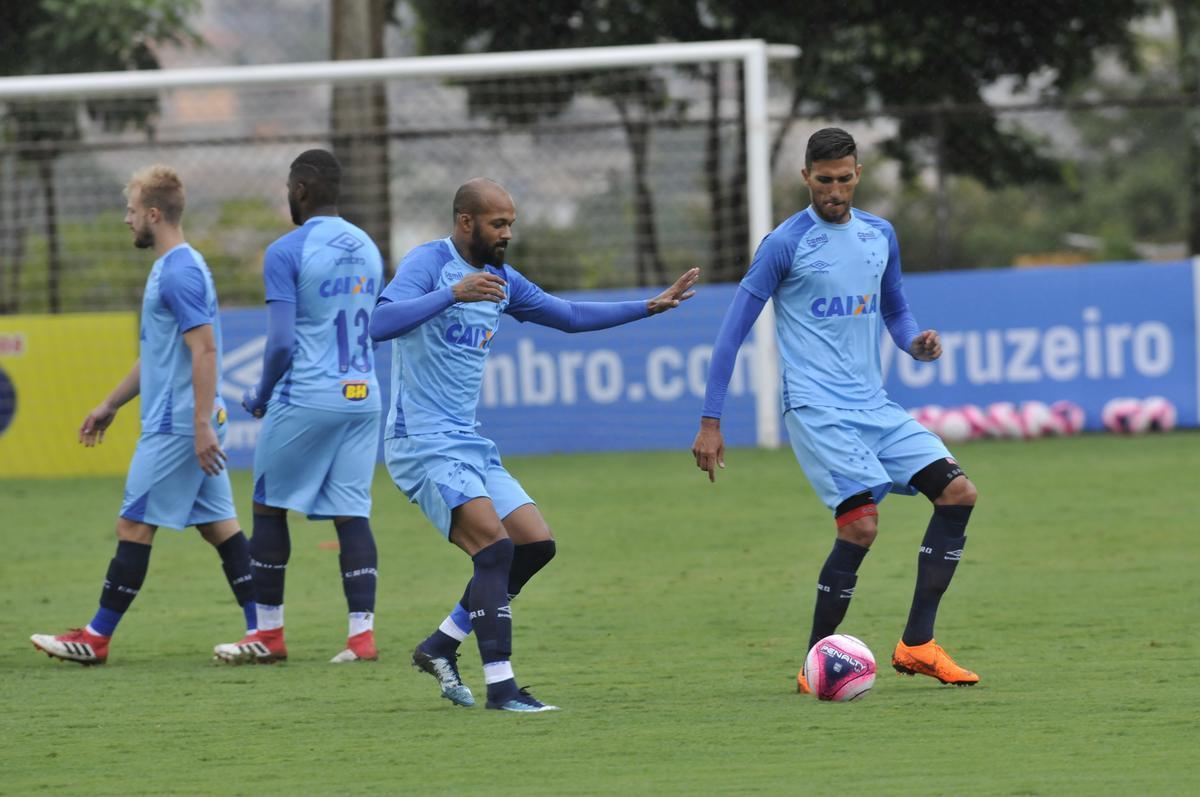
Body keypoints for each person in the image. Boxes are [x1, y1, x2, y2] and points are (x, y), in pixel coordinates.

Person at [370, 178, 699, 711]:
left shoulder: (502, 277)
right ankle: (502, 688)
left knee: (534, 544)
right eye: (498, 224)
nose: (507, 234)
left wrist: (650, 306)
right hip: (421, 442)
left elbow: (566, 316)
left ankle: (440, 646)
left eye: (511, 224)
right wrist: (451, 294)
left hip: (466, 441)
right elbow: (379, 323)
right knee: (495, 550)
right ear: (465, 222)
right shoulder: (429, 264)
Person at [691, 127, 980, 691]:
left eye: (844, 179)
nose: (834, 191)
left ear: (858, 175)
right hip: (817, 408)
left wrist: (914, 342)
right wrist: (710, 419)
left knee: (958, 494)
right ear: (806, 178)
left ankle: (917, 644)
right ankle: (813, 665)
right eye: (823, 181)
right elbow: (731, 333)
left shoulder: (879, 234)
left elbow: (895, 311)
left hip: (874, 405)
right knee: (861, 526)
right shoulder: (783, 243)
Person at [31, 165, 256, 665]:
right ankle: (266, 630)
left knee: (133, 525)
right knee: (220, 526)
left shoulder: (179, 271)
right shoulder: (174, 266)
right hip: (184, 417)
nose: (126, 220)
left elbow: (205, 350)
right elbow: (160, 350)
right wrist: (111, 404)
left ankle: (96, 638)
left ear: (153, 214)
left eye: (131, 211)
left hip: (177, 423)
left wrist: (198, 424)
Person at [212, 150, 384, 665]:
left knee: (267, 505)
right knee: (352, 513)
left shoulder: (287, 250)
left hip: (308, 394)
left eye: (289, 187)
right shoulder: (369, 247)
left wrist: (260, 394)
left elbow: (282, 343)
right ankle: (361, 637)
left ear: (302, 189)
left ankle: (268, 634)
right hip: (364, 395)